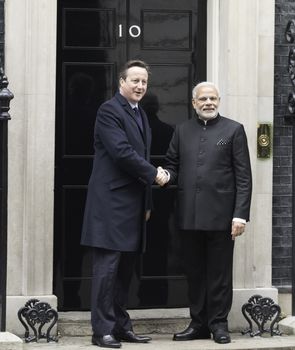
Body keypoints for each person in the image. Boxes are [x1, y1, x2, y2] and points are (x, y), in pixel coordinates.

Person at [80, 60, 167, 349]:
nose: (140, 86)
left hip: (133, 205)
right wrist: (155, 174)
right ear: (121, 82)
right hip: (110, 204)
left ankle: (120, 326)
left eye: (144, 81)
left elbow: (139, 153)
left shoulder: (140, 113)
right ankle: (101, 331)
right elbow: (121, 152)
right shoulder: (109, 110)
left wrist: (148, 201)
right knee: (106, 270)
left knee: (125, 271)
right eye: (135, 81)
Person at [160, 81, 252, 344]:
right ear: (194, 103)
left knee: (220, 274)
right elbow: (173, 164)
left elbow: (243, 177)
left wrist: (240, 214)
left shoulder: (234, 130)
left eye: (213, 98)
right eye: (203, 99)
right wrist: (165, 174)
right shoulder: (182, 130)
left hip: (223, 218)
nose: (208, 103)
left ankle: (219, 324)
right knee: (195, 273)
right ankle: (198, 323)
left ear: (219, 101)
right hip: (188, 216)